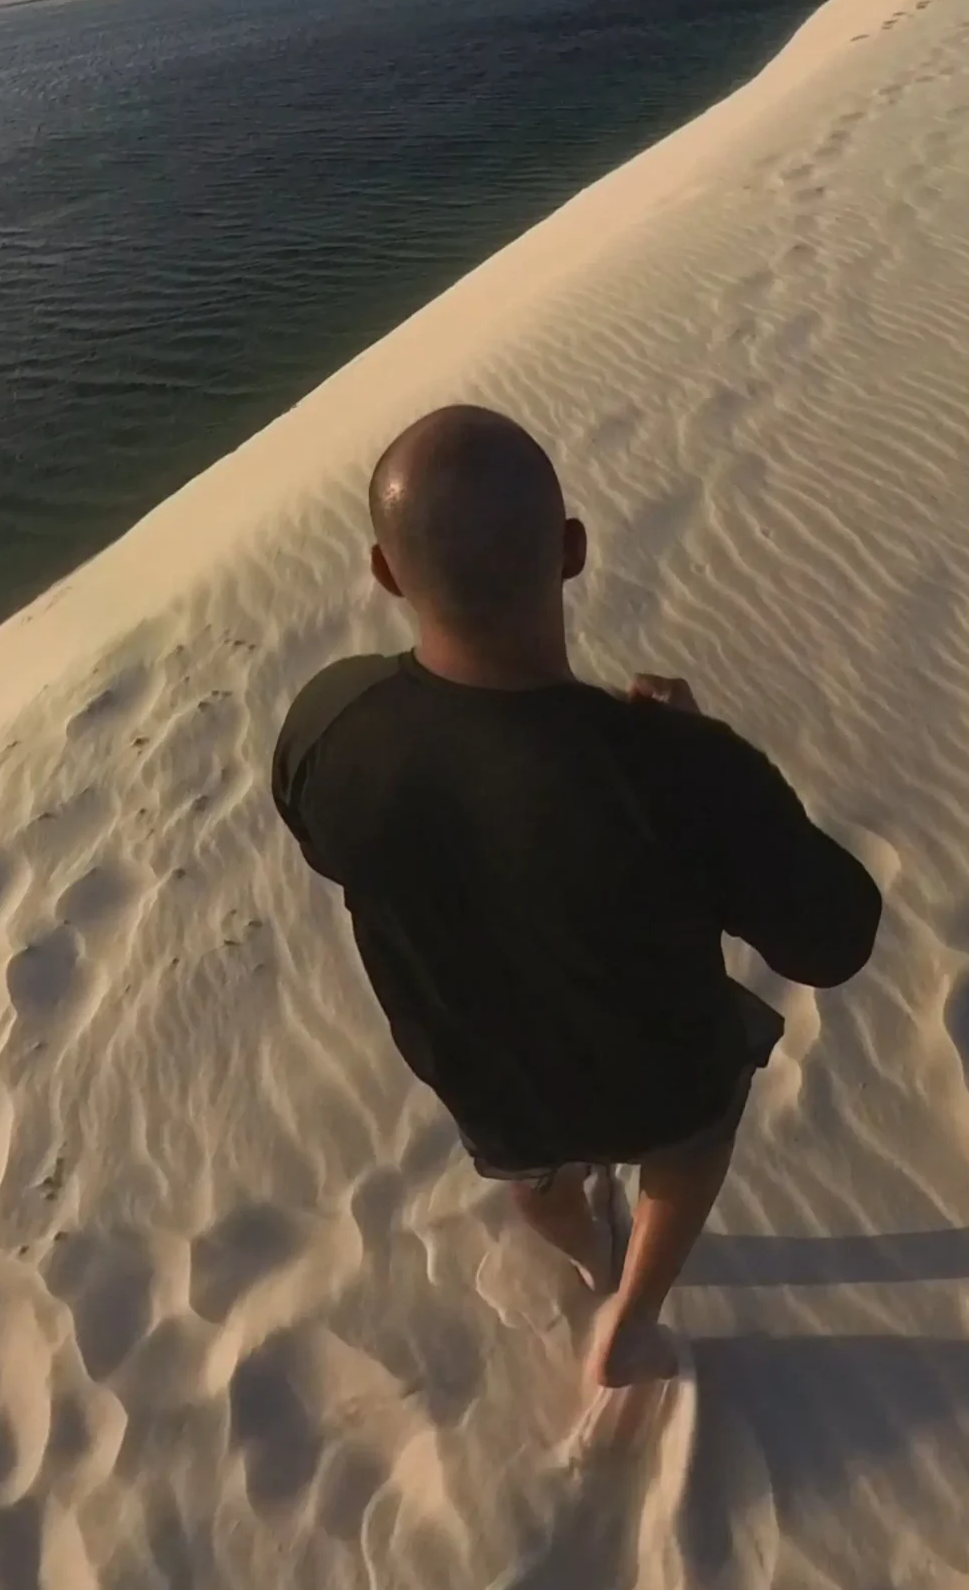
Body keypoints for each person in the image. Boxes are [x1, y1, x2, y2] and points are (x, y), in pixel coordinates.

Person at [270, 406, 881, 1391]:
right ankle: (629, 1315)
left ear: (385, 573)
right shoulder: (676, 772)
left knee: (532, 1175)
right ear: (572, 550)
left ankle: (592, 1262)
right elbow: (836, 937)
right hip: (663, 1082)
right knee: (688, 1153)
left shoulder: (327, 724)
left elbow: (333, 848)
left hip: (483, 1076)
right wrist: (697, 748)